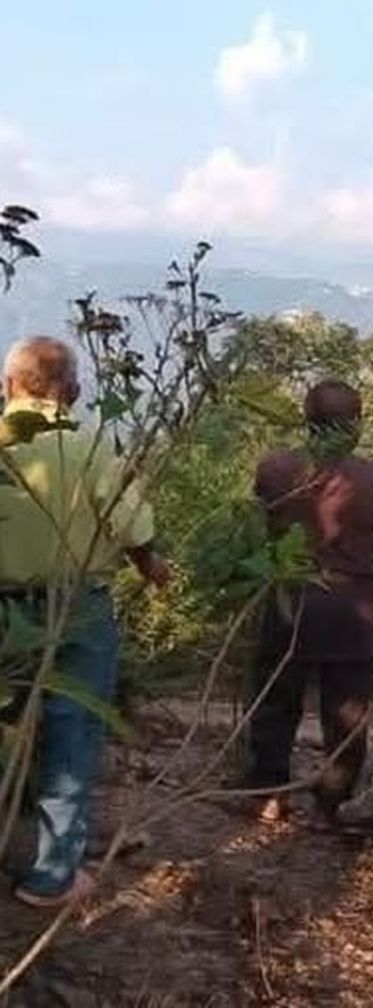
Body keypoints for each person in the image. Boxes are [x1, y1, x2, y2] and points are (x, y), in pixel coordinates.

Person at [0, 336, 168, 907]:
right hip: (76, 607)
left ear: (8, 386)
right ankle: (52, 875)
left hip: (3, 608)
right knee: (73, 730)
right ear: (71, 392)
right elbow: (132, 528)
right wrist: (152, 567)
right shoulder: (92, 443)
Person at [247, 380, 373, 827]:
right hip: (356, 603)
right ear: (356, 425)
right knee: (347, 708)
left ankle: (269, 792)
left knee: (276, 696)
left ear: (307, 421)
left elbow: (266, 517)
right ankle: (332, 802)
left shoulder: (276, 469)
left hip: (293, 596)